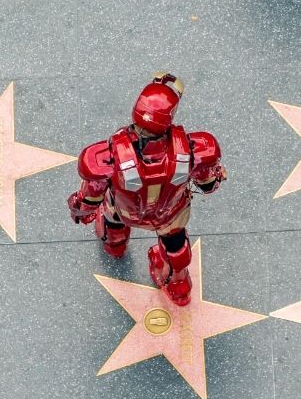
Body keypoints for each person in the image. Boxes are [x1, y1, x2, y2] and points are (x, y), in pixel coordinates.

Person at [67, 74, 226, 307]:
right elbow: (208, 184)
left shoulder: (106, 156)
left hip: (126, 211)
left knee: (111, 219)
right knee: (177, 248)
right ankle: (179, 287)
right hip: (171, 215)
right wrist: (214, 175)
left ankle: (115, 245)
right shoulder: (194, 149)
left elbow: (91, 195)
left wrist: (81, 208)